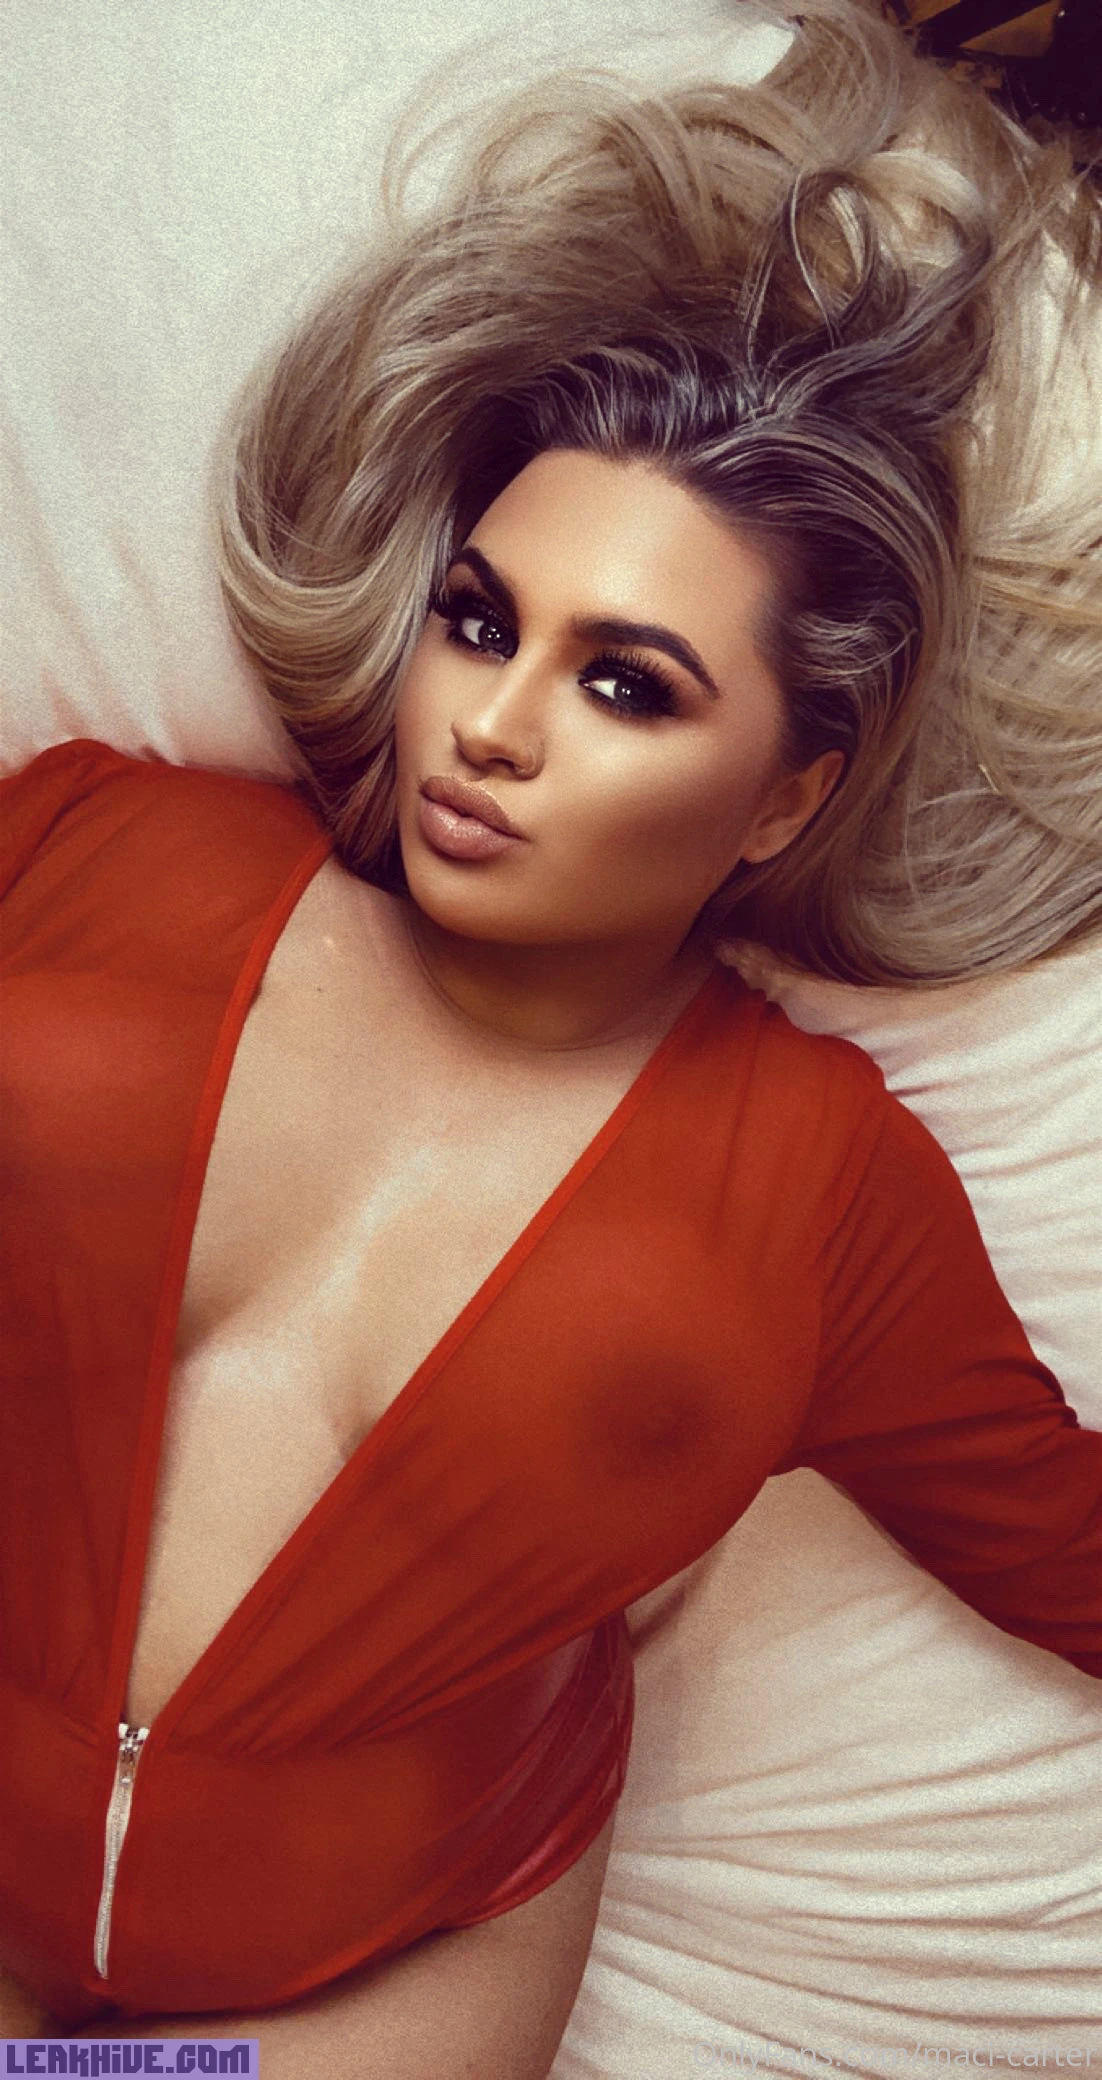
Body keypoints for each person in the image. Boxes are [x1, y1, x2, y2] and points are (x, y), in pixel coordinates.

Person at [2, 2, 1100, 2072]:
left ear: (782, 795)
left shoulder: (819, 1186)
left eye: (627, 684)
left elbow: (1071, 1546)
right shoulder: (104, 852)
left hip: (364, 1989)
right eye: (481, 620)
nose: (492, 726)